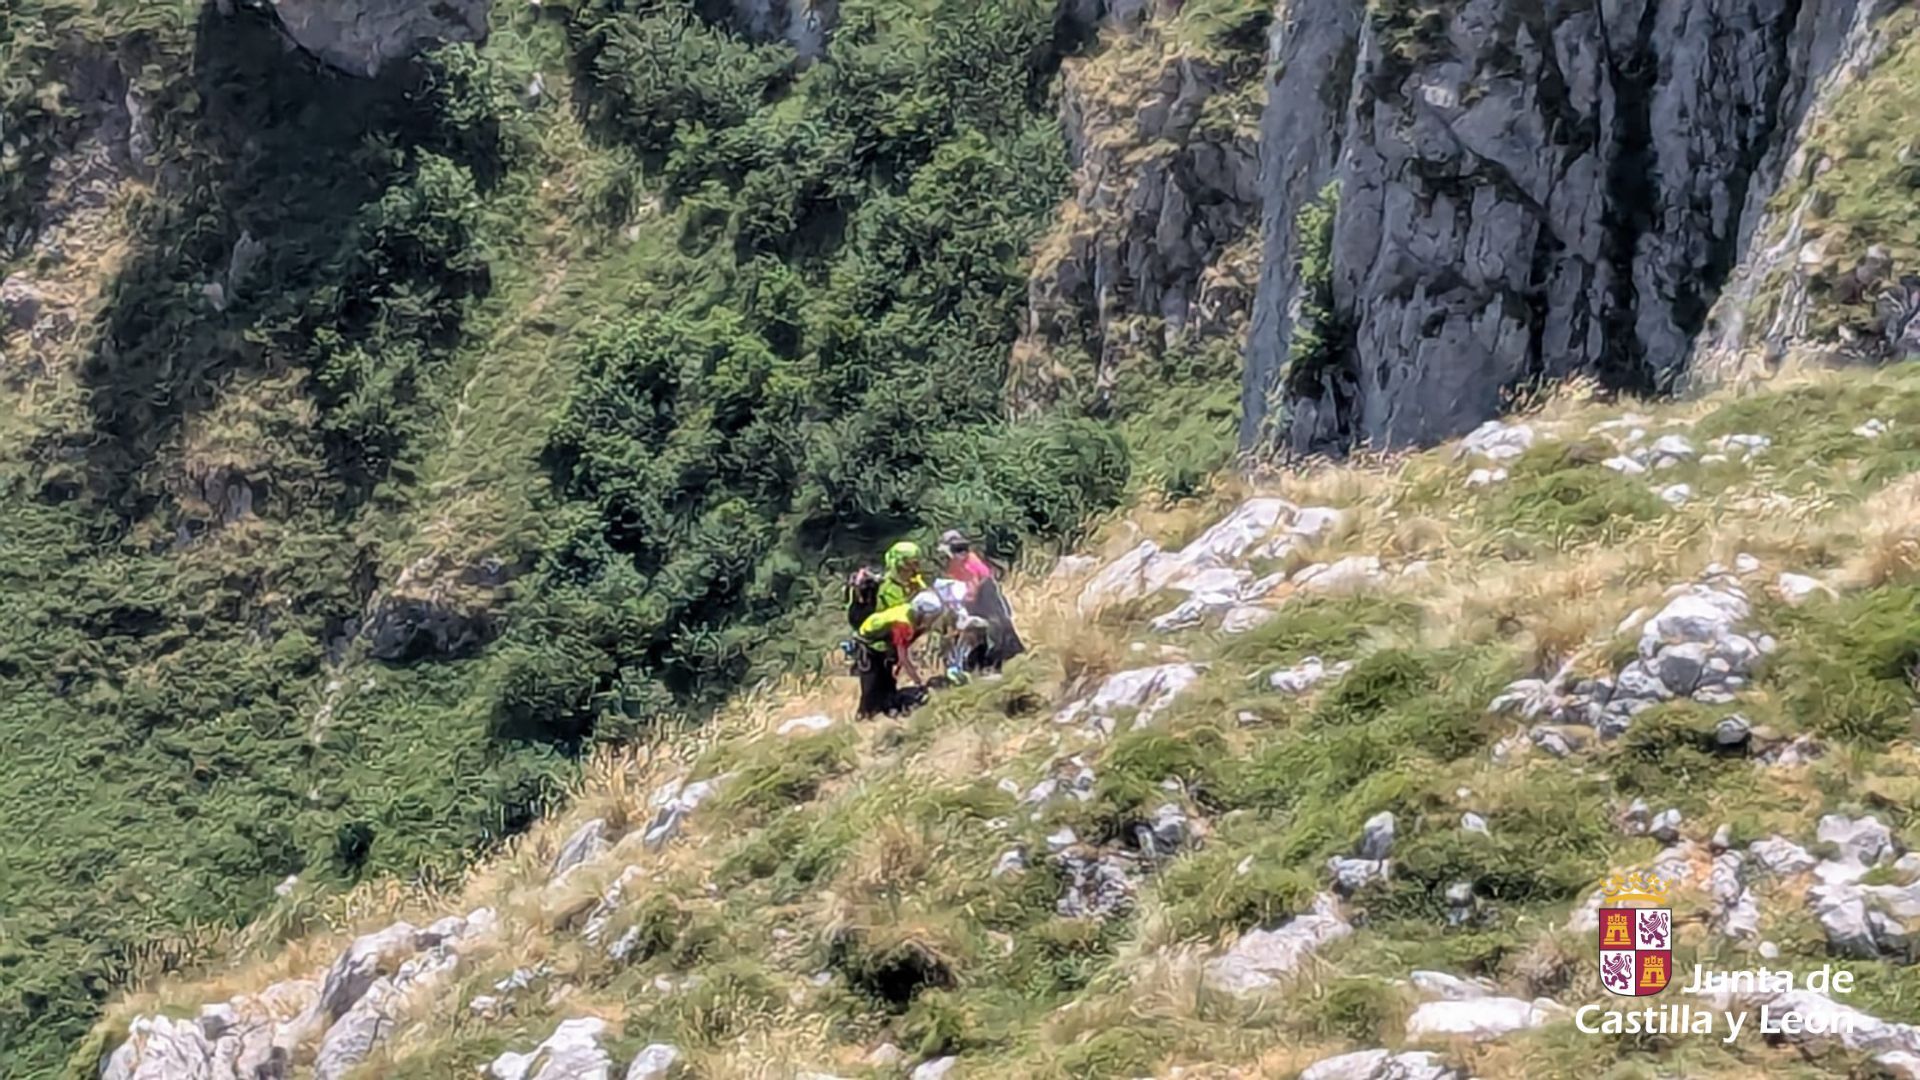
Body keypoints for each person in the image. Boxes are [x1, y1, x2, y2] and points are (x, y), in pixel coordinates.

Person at [938, 529, 1025, 668]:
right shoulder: (955, 562)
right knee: (979, 629)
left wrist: (966, 598)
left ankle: (1008, 656)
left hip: (986, 592)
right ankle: (984, 660)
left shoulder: (969, 560)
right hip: (973, 597)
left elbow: (975, 582)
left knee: (998, 623)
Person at [853, 590, 944, 718]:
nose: (934, 620)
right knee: (871, 686)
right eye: (933, 616)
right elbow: (903, 658)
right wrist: (918, 682)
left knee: (888, 685)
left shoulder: (911, 613)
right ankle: (863, 716)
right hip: (868, 645)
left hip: (883, 646)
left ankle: (884, 712)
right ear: (923, 614)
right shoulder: (903, 623)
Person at [877, 540, 927, 613]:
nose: (917, 564)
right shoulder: (887, 588)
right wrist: (913, 596)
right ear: (902, 561)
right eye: (914, 560)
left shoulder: (915, 581)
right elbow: (894, 613)